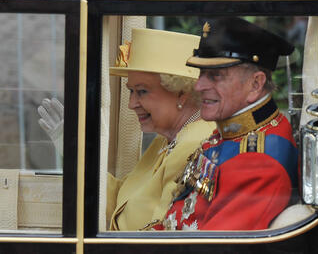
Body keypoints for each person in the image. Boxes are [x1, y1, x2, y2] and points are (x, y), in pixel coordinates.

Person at [38, 28, 215, 231]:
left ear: (181, 94)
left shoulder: (195, 144)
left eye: (142, 91)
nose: (132, 104)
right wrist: (71, 147)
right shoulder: (167, 139)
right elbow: (120, 202)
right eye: (131, 91)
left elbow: (163, 232)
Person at [151, 17, 298, 231]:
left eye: (215, 76)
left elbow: (214, 247)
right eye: (201, 73)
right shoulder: (233, 132)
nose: (199, 86)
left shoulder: (260, 163)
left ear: (255, 84)